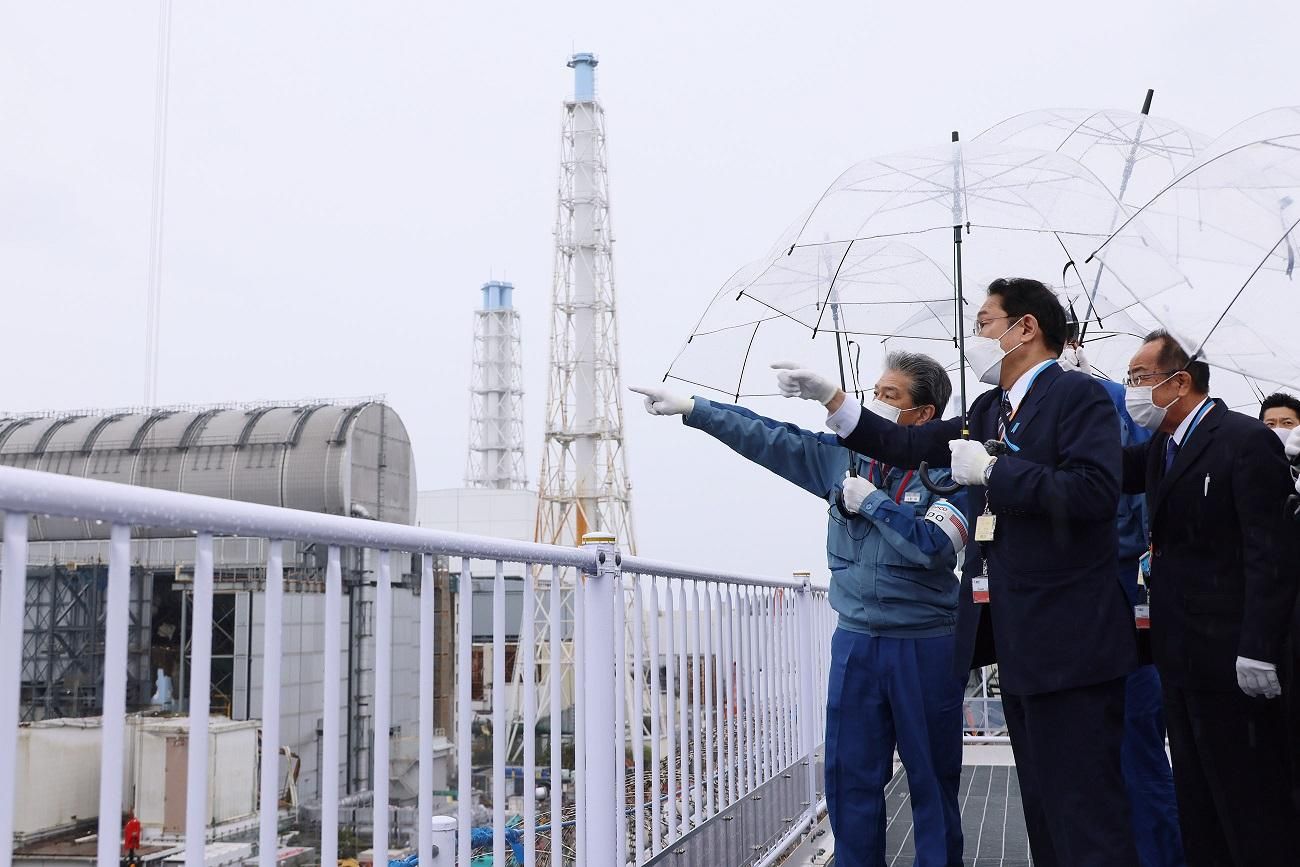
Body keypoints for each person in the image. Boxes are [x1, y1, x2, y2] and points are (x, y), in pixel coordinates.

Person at [776, 277, 1139, 867]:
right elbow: (902, 443)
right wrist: (833, 399)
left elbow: (1096, 492)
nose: (976, 336)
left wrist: (995, 473)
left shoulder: (1078, 397)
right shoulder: (990, 408)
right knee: (1044, 807)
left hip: (1070, 639)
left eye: (985, 323)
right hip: (1018, 639)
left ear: (1027, 328)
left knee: (1085, 808)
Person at [630, 349, 967, 867]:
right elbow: (768, 437)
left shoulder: (954, 471)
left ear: (923, 415)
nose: (875, 403)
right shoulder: (841, 459)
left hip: (924, 644)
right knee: (849, 776)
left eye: (890, 396)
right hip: (855, 641)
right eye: (874, 393)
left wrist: (875, 502)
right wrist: (694, 408)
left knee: (931, 780)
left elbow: (934, 547)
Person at [1120, 330, 1298, 865]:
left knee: (1249, 800)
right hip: (1181, 654)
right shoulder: (1162, 447)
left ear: (1180, 381)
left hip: (1234, 657)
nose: (1132, 391)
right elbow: (1107, 467)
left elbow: (1271, 550)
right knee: (1197, 799)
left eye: (1139, 379)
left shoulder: (1244, 440)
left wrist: (1259, 645)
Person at [1061, 330, 1186, 867]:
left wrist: (1101, 387)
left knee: (1139, 756)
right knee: (1085, 764)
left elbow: (1135, 518)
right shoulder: (1033, 417)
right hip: (1069, 619)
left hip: (1124, 609)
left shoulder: (1119, 408)